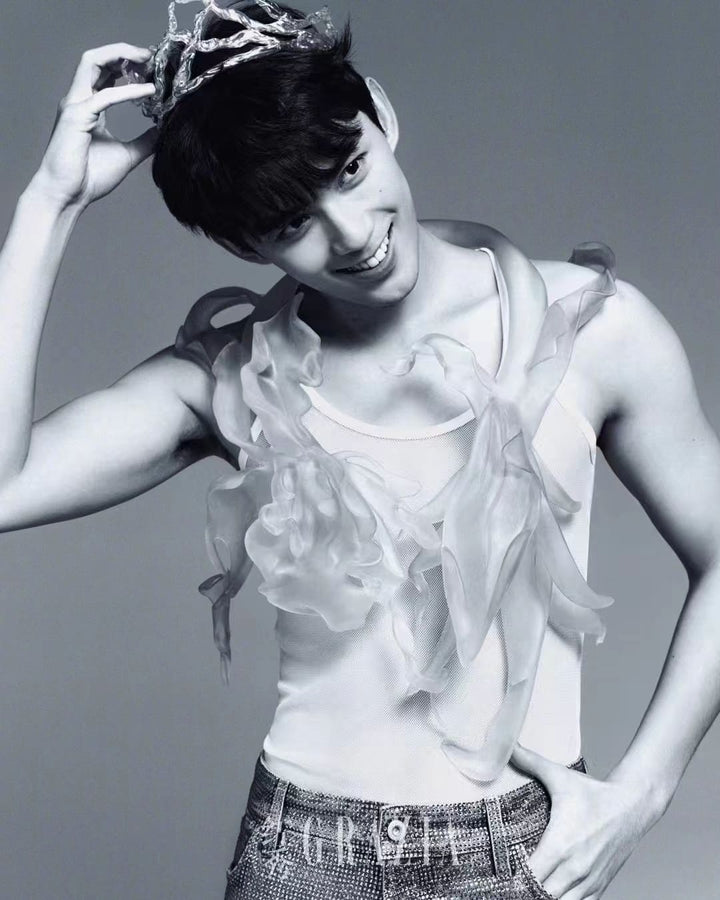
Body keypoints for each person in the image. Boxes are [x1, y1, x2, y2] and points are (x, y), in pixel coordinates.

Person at [1, 1, 719, 898]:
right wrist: (51, 204)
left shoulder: (594, 331)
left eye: (350, 169)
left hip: (520, 853)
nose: (352, 234)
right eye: (290, 224)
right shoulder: (228, 380)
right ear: (244, 244)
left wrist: (641, 795)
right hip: (299, 858)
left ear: (380, 112)